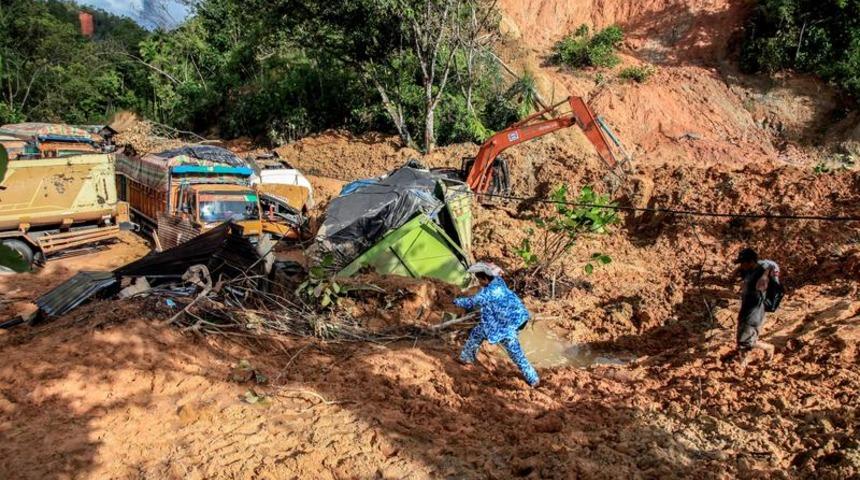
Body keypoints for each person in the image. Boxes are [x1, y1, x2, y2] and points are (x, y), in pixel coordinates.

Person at [453, 262, 539, 387]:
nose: (479, 282)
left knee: (514, 350)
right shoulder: (498, 281)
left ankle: (533, 379)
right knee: (478, 332)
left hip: (506, 323)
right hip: (516, 317)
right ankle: (466, 358)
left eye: (480, 279)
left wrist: (455, 301)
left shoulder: (489, 292)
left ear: (486, 279)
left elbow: (472, 302)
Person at [734, 248, 780, 367]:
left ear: (750, 261)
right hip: (746, 308)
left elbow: (769, 268)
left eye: (742, 262)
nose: (741, 265)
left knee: (746, 341)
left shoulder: (761, 271)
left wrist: (765, 276)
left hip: (754, 311)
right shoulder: (750, 270)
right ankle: (742, 364)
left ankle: (768, 348)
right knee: (741, 340)